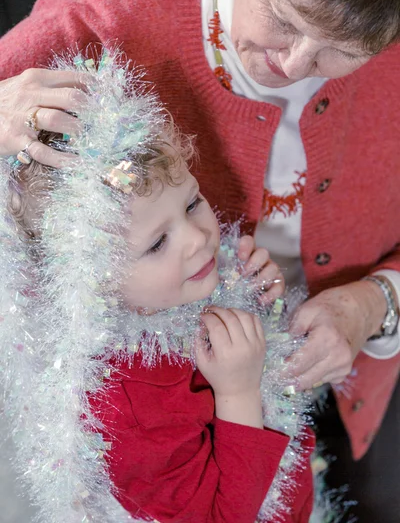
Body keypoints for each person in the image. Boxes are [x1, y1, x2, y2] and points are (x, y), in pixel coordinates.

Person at [0, 0, 399, 519]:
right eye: (286, 20)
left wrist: (378, 302)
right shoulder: (93, 23)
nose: (294, 63)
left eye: (340, 50)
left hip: (363, 394)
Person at [2, 51, 313, 523]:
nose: (198, 240)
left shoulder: (176, 284)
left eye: (191, 204)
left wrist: (253, 292)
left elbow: (271, 361)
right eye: (157, 244)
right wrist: (238, 393)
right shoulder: (128, 404)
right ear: (90, 284)